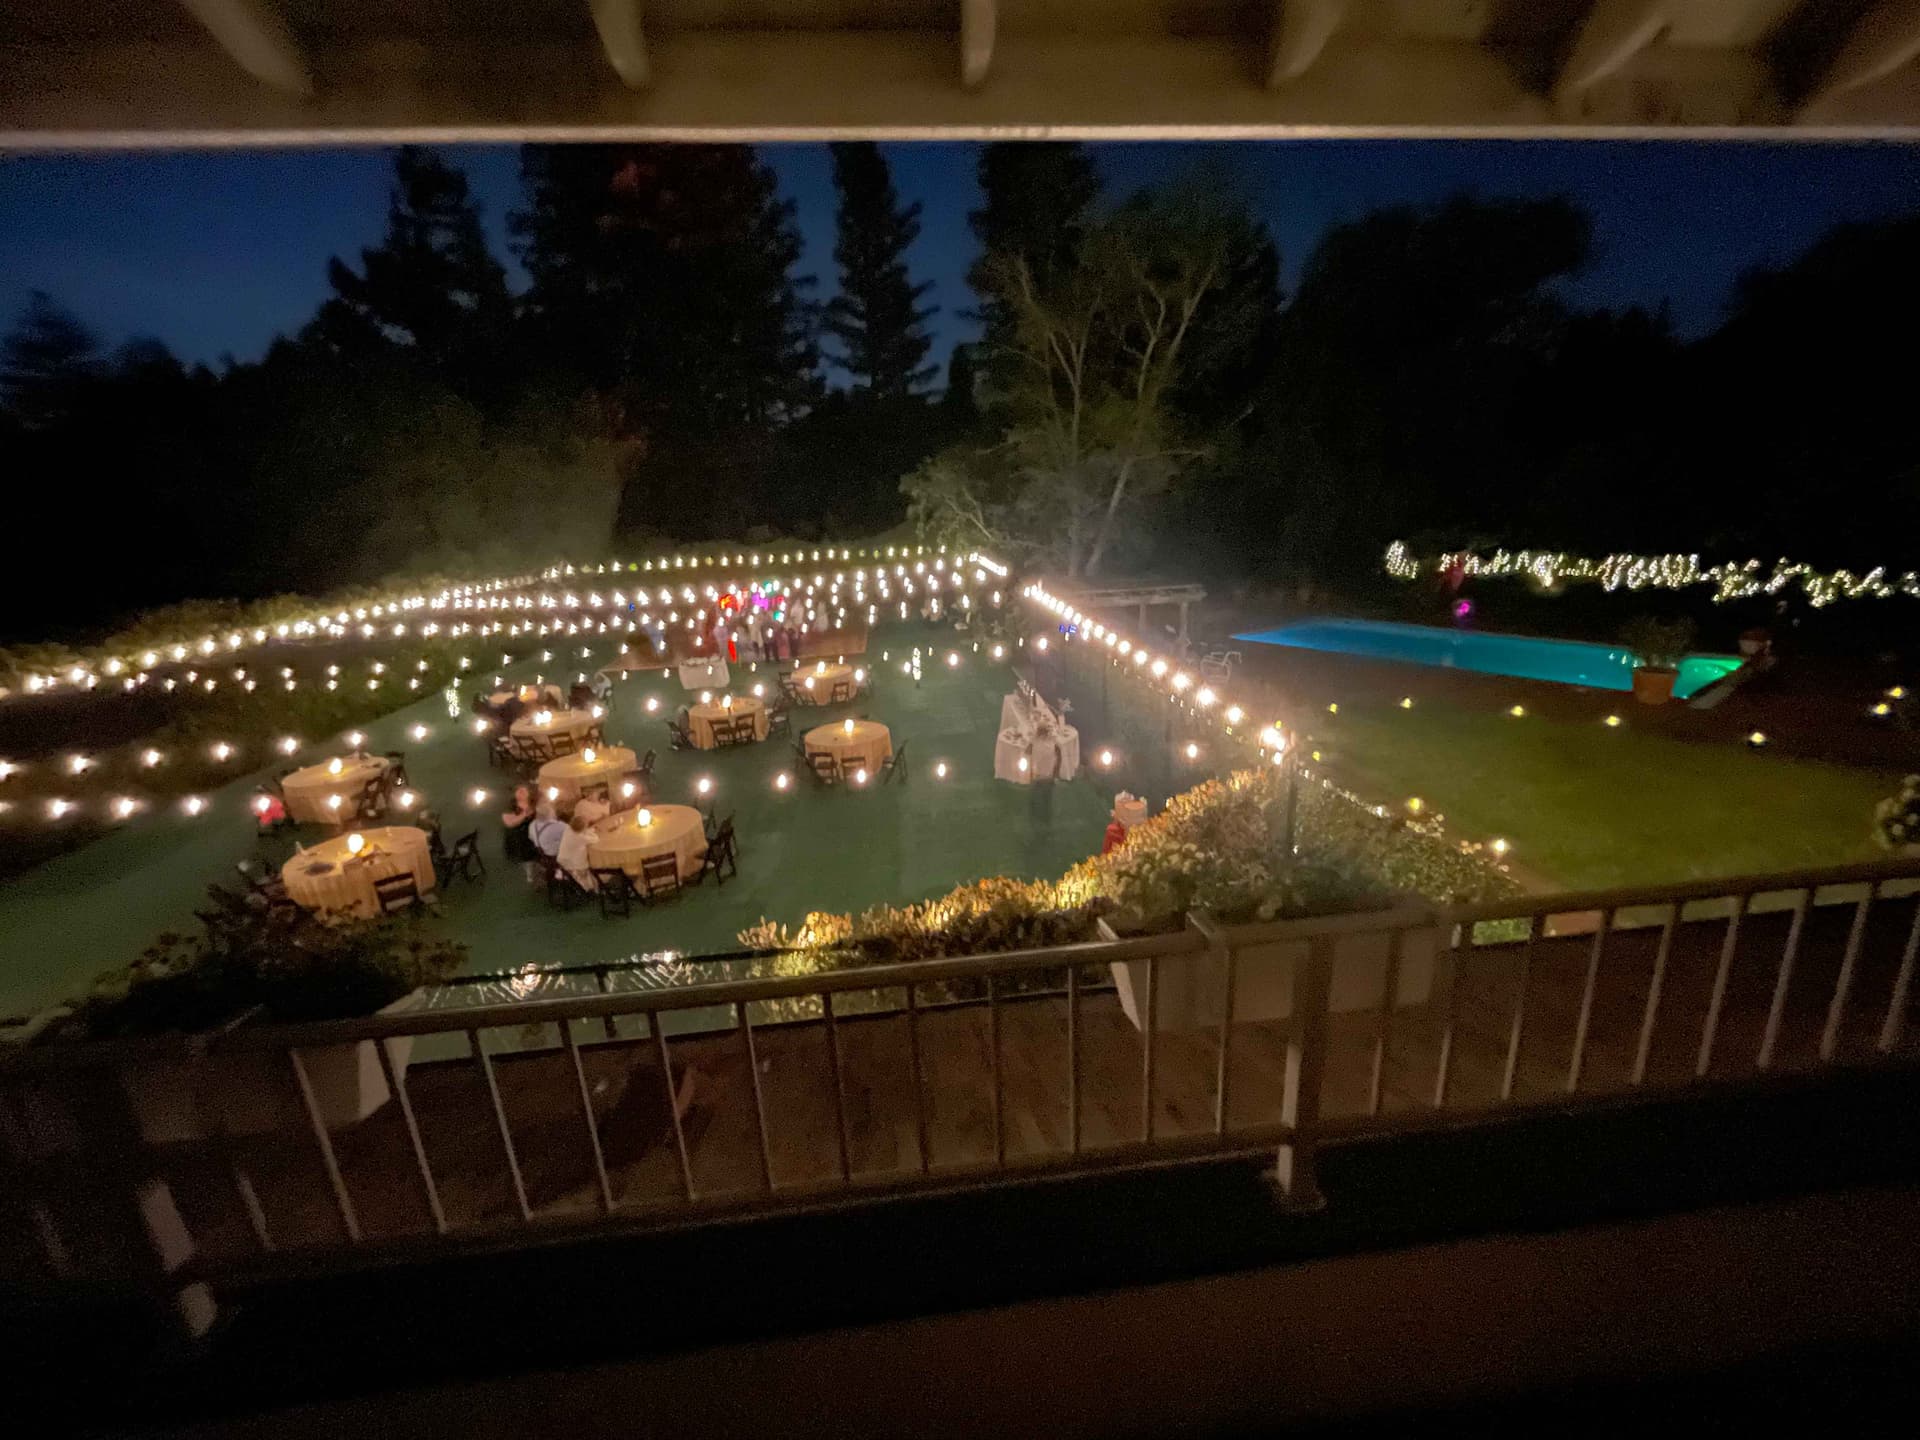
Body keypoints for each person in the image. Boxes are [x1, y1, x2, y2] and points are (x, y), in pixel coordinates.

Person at [502, 785, 539, 875]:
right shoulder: (510, 806)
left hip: (532, 836)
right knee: (525, 859)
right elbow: (509, 822)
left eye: (523, 790)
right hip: (518, 838)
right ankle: (528, 872)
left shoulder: (534, 804)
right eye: (518, 790)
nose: (521, 791)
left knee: (533, 857)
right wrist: (524, 814)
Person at [557, 812, 598, 892]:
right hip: (574, 864)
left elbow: (583, 832)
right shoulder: (579, 837)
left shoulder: (568, 829)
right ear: (582, 828)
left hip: (563, 859)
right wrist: (592, 832)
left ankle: (588, 887)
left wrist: (590, 830)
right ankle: (590, 889)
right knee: (588, 871)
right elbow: (595, 839)